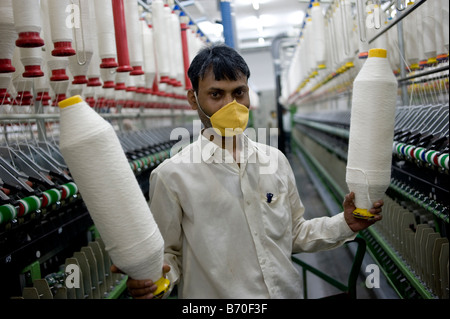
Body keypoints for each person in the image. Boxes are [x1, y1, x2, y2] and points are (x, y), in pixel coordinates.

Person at [112, 44, 383, 299]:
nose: (231, 105)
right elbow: (169, 255)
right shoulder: (172, 176)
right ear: (193, 100)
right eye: (216, 94)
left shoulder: (275, 160)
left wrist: (345, 224)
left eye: (239, 92)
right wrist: (154, 279)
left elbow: (295, 233)